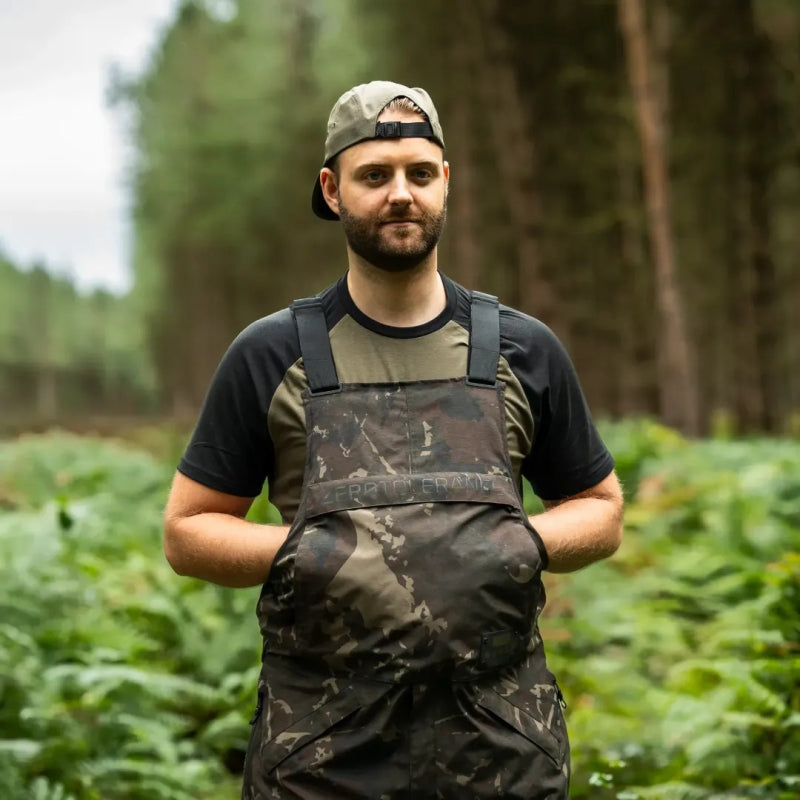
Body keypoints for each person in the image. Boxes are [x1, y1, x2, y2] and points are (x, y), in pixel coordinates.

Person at [164, 80, 623, 800]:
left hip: (504, 754)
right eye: (373, 176)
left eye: (417, 172)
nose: (400, 194)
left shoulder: (522, 350)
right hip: (321, 763)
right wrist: (306, 551)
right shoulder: (272, 354)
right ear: (333, 189)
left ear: (447, 181)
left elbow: (602, 509)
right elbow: (187, 532)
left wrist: (523, 544)